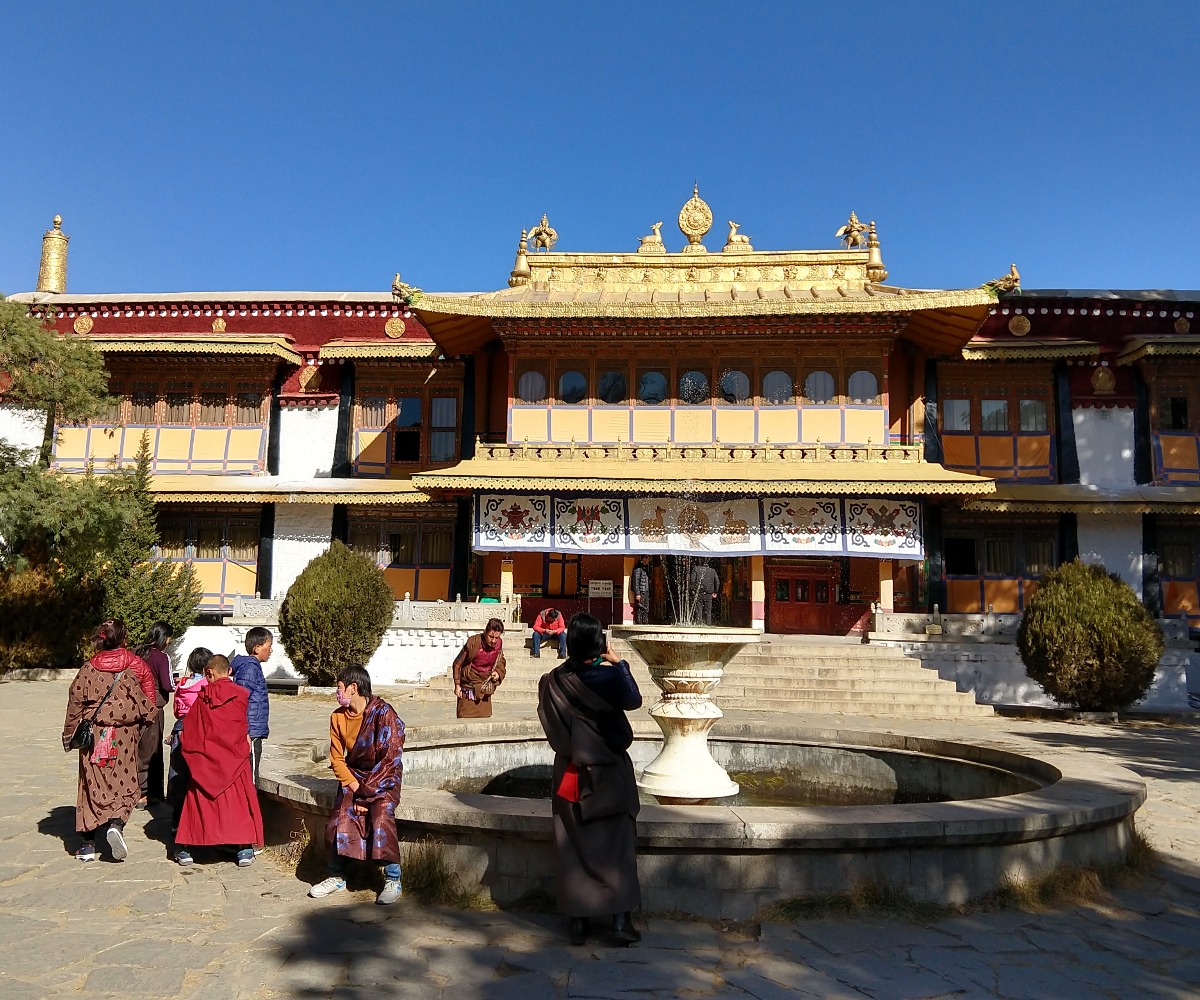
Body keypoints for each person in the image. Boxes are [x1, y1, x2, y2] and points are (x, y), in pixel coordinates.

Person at [537, 613, 643, 947]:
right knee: (619, 845)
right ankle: (620, 920)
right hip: (608, 772)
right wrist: (619, 662)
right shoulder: (609, 677)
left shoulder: (552, 681)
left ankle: (579, 922)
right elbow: (634, 700)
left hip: (570, 773)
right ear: (599, 644)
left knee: (573, 845)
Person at [308, 664, 406, 905]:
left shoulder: (383, 714)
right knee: (337, 820)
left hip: (383, 777)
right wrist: (356, 789)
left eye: (339, 688)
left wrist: (367, 795)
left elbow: (390, 758)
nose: (337, 693)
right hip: (354, 778)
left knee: (381, 816)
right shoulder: (337, 717)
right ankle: (336, 875)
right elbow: (337, 759)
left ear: (353, 688)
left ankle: (393, 878)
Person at [62, 619, 157, 862]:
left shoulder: (88, 668)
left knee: (91, 784)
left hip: (95, 733)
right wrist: (141, 724)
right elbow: (150, 698)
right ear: (124, 638)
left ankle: (87, 844)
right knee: (125, 782)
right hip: (125, 734)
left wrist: (69, 734)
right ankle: (116, 824)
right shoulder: (137, 665)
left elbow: (75, 703)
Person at [174, 654, 264, 867]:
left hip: (205, 761)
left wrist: (191, 747)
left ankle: (187, 847)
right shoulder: (240, 695)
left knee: (198, 801)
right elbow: (243, 728)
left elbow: (191, 729)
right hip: (234, 759)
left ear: (209, 673)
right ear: (229, 671)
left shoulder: (203, 698)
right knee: (238, 803)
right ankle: (243, 848)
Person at [166, 646, 210, 831]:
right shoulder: (207, 685)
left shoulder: (182, 685)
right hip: (198, 729)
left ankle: (176, 819)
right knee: (196, 773)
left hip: (180, 728)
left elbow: (177, 711)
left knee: (178, 772)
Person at [134, 620, 174, 807]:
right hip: (153, 707)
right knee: (152, 750)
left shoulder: (137, 653)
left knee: (137, 747)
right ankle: (147, 792)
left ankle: (134, 789)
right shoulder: (161, 657)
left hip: (134, 705)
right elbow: (167, 684)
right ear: (164, 637)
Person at [230, 626, 272, 784]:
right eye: (269, 646)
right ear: (257, 648)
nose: (271, 650)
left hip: (253, 729)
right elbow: (241, 700)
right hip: (250, 731)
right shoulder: (250, 668)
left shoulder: (251, 667)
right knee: (251, 777)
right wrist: (246, 731)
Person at [451, 617, 506, 719]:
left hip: (485, 690)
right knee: (465, 721)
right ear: (485, 632)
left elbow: (501, 661)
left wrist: (498, 673)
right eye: (491, 637)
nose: (493, 641)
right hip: (468, 690)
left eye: (497, 638)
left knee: (484, 722)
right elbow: (457, 664)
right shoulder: (474, 642)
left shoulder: (499, 645)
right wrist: (457, 685)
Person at [689, 559, 720, 626]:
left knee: (698, 610)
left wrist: (693, 590)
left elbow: (692, 581)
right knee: (708, 611)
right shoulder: (712, 571)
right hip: (709, 593)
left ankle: (699, 624)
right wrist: (715, 592)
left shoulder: (696, 569)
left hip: (699, 592)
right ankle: (708, 624)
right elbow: (717, 582)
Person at [630, 556, 651, 625]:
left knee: (646, 608)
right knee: (640, 608)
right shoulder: (638, 568)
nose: (648, 560)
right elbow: (635, 581)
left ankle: (645, 622)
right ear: (644, 559)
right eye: (647, 559)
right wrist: (637, 593)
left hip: (645, 590)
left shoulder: (645, 568)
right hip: (641, 591)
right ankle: (639, 622)